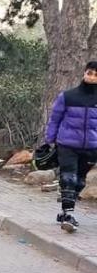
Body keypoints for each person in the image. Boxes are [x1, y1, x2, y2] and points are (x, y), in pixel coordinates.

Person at [44, 60, 97, 233]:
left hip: (91, 147)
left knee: (80, 181)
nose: (92, 77)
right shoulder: (68, 96)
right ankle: (68, 214)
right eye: (90, 73)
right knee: (69, 178)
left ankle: (65, 210)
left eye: (96, 74)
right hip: (67, 144)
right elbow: (55, 118)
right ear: (84, 73)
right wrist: (50, 139)